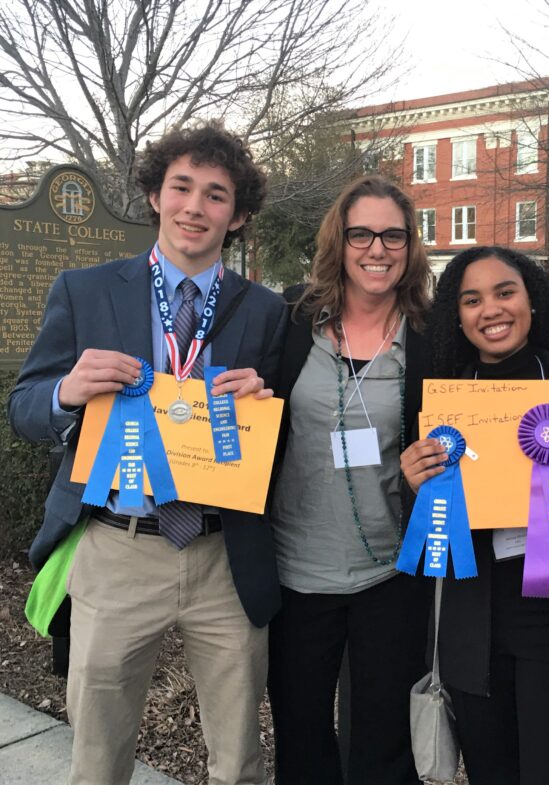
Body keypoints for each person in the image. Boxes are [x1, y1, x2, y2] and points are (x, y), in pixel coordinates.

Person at [8, 122, 287, 785]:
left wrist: (266, 400)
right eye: (181, 187)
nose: (195, 206)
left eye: (216, 195)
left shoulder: (269, 312)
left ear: (238, 214)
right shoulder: (85, 289)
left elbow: (283, 443)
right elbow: (24, 407)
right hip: (118, 547)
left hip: (224, 552)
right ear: (155, 196)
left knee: (238, 758)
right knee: (97, 756)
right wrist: (69, 391)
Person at [400, 246, 549, 785]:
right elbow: (428, 527)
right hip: (473, 618)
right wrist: (415, 484)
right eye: (472, 300)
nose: (490, 310)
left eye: (505, 292)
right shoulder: (445, 403)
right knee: (491, 772)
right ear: (457, 315)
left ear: (533, 300)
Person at [267, 175, 434, 785]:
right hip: (295, 571)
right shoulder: (287, 321)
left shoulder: (430, 335)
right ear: (339, 240)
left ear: (411, 245)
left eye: (394, 235)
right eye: (361, 233)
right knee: (301, 732)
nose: (378, 248)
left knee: (384, 741)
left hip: (391, 573)